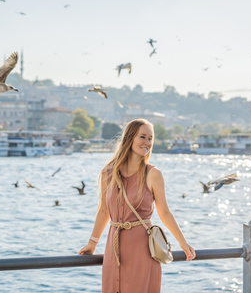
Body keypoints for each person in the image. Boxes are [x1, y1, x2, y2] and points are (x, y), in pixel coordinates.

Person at [78, 119, 196, 292]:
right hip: (114, 247)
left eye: (150, 139)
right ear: (130, 138)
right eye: (143, 137)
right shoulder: (108, 172)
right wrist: (92, 243)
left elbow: (164, 212)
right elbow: (104, 211)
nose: (147, 143)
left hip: (142, 248)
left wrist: (183, 242)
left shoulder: (153, 174)